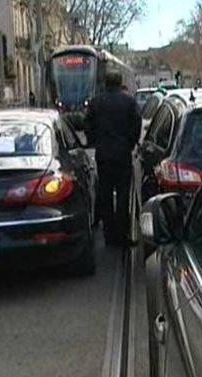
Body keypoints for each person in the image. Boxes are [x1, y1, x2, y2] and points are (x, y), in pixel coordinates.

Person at [86, 72, 141, 247]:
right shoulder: (129, 102)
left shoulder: (96, 103)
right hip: (122, 154)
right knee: (124, 194)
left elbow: (88, 126)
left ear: (105, 83)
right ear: (120, 83)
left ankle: (109, 234)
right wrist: (130, 143)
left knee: (106, 193)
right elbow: (136, 125)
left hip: (103, 154)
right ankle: (122, 232)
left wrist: (95, 141)